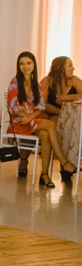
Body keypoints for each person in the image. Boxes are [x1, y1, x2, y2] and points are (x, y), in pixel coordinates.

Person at [6, 51, 73, 187]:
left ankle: (44, 175)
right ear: (18, 66)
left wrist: (30, 116)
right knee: (49, 125)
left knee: (46, 136)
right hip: (19, 123)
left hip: (30, 121)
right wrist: (25, 116)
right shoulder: (14, 82)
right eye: (22, 64)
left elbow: (41, 106)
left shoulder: (35, 83)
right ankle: (64, 162)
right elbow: (12, 105)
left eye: (28, 63)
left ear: (33, 65)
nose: (25, 66)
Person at [41, 56, 82, 184]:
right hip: (52, 115)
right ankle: (64, 165)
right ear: (60, 68)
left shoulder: (75, 80)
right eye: (70, 66)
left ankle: (66, 166)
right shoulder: (47, 82)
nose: (73, 68)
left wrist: (67, 97)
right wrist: (61, 112)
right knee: (57, 127)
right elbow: (43, 104)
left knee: (71, 126)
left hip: (72, 118)